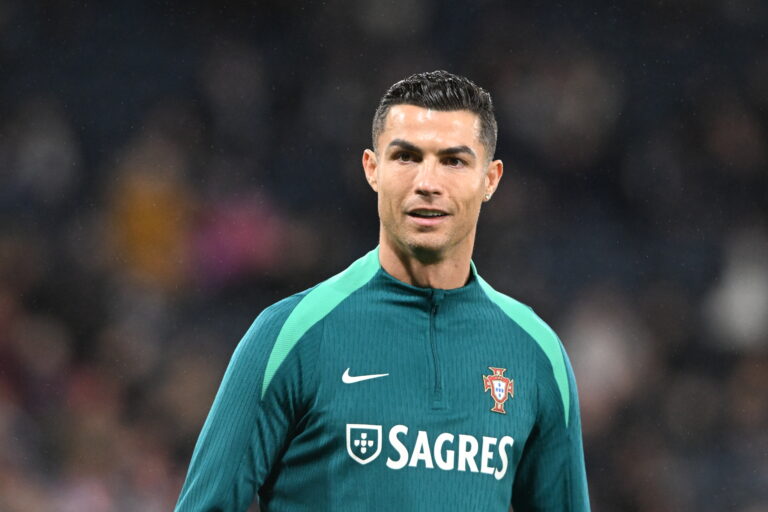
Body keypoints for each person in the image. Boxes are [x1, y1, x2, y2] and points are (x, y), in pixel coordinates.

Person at [175, 70, 590, 511]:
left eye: (454, 161)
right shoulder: (289, 335)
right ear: (373, 169)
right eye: (407, 157)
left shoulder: (537, 354)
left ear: (490, 179)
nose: (428, 183)